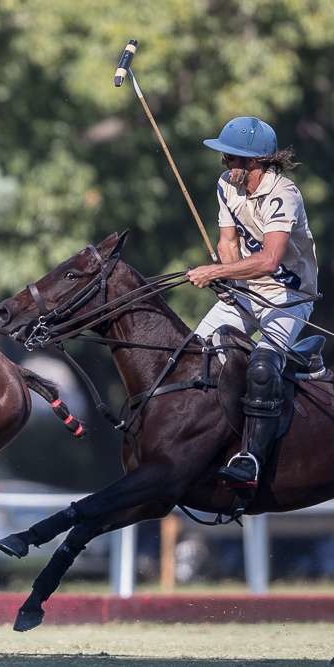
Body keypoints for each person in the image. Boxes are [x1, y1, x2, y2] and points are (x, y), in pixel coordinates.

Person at [187, 116, 318, 488]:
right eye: (225, 159)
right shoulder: (226, 186)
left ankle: (251, 460)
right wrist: (228, 276)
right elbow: (227, 242)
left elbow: (269, 260)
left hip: (289, 297)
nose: (225, 165)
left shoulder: (284, 195)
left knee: (262, 368)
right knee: (196, 356)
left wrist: (215, 274)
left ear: (255, 163)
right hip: (247, 291)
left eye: (231, 159)